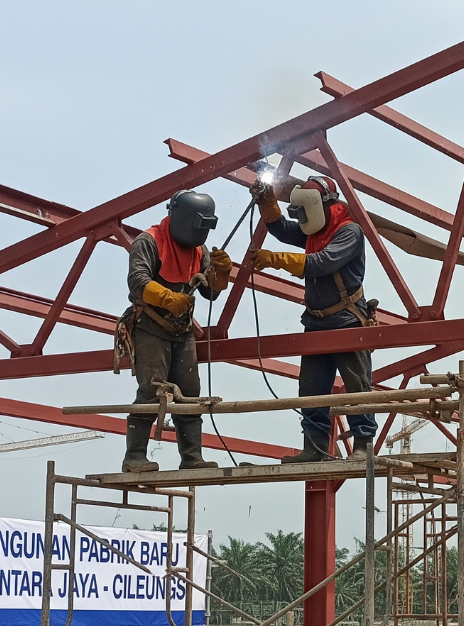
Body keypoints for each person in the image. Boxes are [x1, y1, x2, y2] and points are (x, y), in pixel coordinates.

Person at [250, 176, 376, 462]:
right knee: (311, 390)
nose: (303, 217)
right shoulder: (314, 230)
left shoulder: (349, 232)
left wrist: (274, 260)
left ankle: (363, 445)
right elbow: (282, 230)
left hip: (347, 321)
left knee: (357, 385)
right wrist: (267, 203)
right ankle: (315, 448)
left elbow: (322, 263)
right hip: (317, 322)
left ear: (322, 205)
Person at [121, 190, 233, 472]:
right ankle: (134, 457)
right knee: (151, 390)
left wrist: (220, 275)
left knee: (190, 394)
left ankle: (192, 458)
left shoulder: (199, 249)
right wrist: (167, 298)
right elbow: (137, 281)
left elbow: (210, 293)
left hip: (181, 332)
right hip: (150, 326)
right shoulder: (149, 241)